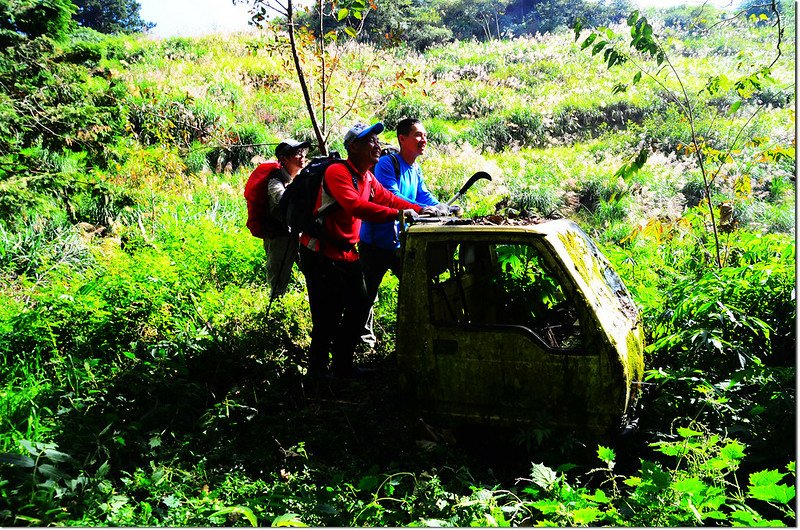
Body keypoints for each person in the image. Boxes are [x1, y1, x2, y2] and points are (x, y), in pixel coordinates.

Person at [298, 122, 438, 377]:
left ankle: (342, 365)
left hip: (345, 253)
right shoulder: (338, 172)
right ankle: (315, 377)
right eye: (369, 141)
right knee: (327, 316)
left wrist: (420, 209)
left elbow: (388, 197)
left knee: (359, 306)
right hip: (319, 253)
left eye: (376, 140)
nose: (377, 145)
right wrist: (398, 215)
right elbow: (356, 206)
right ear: (353, 147)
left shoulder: (367, 177)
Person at [358, 118, 448, 346]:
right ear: (402, 139)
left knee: (415, 289)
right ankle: (360, 340)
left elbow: (423, 195)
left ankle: (415, 338)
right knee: (366, 294)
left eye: (425, 135)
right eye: (418, 135)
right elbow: (391, 196)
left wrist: (442, 208)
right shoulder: (388, 164)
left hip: (401, 243)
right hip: (375, 243)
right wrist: (423, 209)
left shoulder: (415, 168)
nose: (423, 139)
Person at [249, 138, 310, 296]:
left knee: (313, 272)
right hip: (278, 237)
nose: (302, 156)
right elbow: (282, 199)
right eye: (297, 153)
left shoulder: (298, 177)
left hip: (296, 234)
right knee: (278, 283)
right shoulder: (275, 180)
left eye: (303, 152)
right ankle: (276, 313)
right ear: (284, 159)